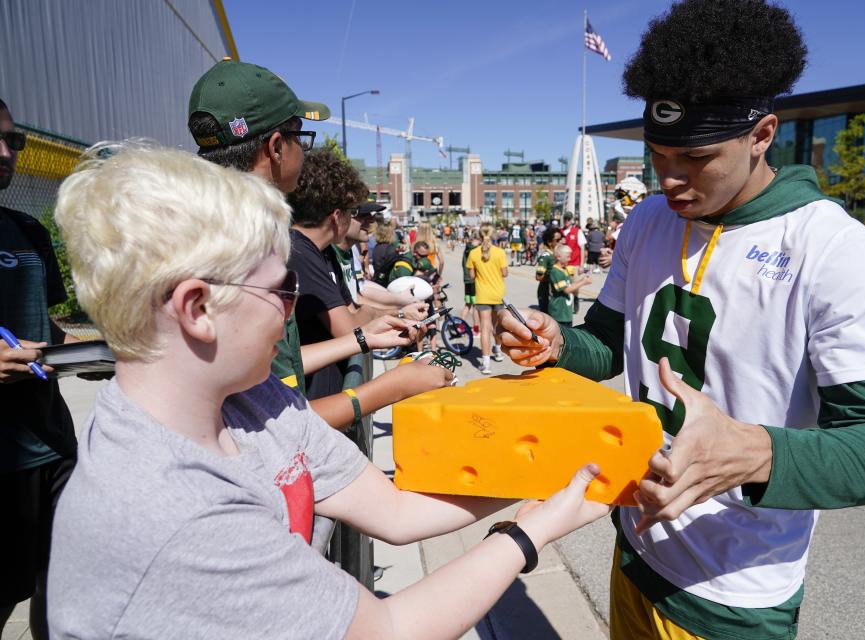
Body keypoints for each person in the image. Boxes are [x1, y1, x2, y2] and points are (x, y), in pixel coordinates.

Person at [46, 142, 610, 639]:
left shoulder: (248, 400)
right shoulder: (171, 514)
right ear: (198, 308)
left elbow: (395, 511)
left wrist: (555, 476)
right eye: (281, 289)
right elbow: (389, 628)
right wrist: (534, 530)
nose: (292, 312)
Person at [495, 2, 865, 638]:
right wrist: (557, 343)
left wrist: (753, 452)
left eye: (695, 157)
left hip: (733, 595)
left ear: (761, 135)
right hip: (634, 551)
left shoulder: (834, 248)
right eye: (657, 154)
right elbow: (607, 347)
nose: (670, 178)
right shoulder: (646, 219)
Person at [187, 57, 327, 394]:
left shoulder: (194, 229)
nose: (304, 152)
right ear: (277, 147)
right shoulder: (254, 246)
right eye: (300, 138)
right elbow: (274, 408)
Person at [0, 98, 78, 640]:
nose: (7, 153)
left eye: (14, 141)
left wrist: (105, 350)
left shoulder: (27, 229)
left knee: (63, 592)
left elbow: (50, 330)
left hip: (52, 445)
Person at [284, 149, 426, 401]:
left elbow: (353, 312)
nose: (360, 219)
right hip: (313, 403)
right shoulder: (301, 253)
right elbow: (348, 327)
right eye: (352, 212)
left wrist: (391, 317)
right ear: (337, 216)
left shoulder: (314, 251)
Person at [466, 223, 508, 375]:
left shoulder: (473, 253)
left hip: (482, 294)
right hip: (497, 293)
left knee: (485, 327)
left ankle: (486, 362)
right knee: (497, 325)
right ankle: (497, 350)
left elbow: (471, 276)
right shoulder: (500, 252)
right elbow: (504, 273)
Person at [548, 245, 592, 327]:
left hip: (566, 313)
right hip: (559, 312)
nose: (569, 259)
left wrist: (582, 279)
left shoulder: (564, 269)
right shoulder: (555, 271)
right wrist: (583, 282)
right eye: (567, 257)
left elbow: (571, 285)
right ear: (559, 257)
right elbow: (566, 290)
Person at [535, 226, 564, 312]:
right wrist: (554, 278)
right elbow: (538, 277)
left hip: (555, 293)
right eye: (557, 240)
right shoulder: (546, 256)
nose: (561, 242)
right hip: (546, 293)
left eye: (561, 239)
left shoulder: (556, 255)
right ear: (549, 242)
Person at [461, 230, 480, 336]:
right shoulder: (475, 249)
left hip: (466, 279)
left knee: (468, 304)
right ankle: (476, 329)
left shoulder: (467, 248)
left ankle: (461, 325)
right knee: (475, 306)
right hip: (474, 280)